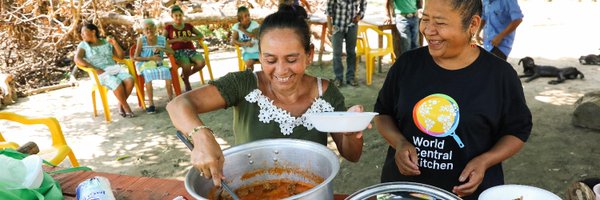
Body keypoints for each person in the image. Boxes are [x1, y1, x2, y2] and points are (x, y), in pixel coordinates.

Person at [166, 6, 365, 187]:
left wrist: (351, 134)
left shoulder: (327, 94)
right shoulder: (243, 84)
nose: (281, 70)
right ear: (260, 56)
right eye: (270, 59)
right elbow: (178, 104)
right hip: (250, 188)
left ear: (309, 55)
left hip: (310, 191)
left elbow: (352, 155)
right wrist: (201, 136)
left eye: (291, 59)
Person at [373, 0, 532, 199]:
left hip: (468, 194)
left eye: (440, 23)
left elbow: (517, 131)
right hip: (403, 191)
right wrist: (400, 143)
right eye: (425, 19)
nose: (428, 30)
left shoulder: (500, 75)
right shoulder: (406, 65)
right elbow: (383, 112)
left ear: (473, 24)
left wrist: (485, 160)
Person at [74, 23, 136, 118]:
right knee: (116, 82)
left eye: (83, 32)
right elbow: (77, 59)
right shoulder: (83, 45)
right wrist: (95, 68)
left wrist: (115, 43)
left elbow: (121, 56)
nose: (81, 35)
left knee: (129, 79)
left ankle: (120, 104)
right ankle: (126, 106)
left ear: (93, 31)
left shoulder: (106, 42)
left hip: (114, 69)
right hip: (99, 73)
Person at [132, 19, 176, 114]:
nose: (149, 30)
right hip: (144, 64)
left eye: (151, 28)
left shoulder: (161, 39)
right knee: (148, 74)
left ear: (155, 28)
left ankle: (171, 99)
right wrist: (150, 58)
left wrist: (162, 48)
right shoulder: (141, 40)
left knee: (167, 72)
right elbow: (135, 57)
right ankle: (151, 104)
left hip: (158, 63)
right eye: (146, 28)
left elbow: (172, 52)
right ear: (143, 31)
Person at [164, 5, 206, 91]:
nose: (178, 17)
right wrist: (176, 40)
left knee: (201, 63)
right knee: (186, 65)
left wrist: (189, 38)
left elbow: (200, 35)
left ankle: (185, 76)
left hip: (191, 50)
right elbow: (162, 41)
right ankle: (187, 82)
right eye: (176, 15)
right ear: (172, 16)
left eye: (180, 15)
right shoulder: (169, 28)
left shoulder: (188, 26)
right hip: (178, 52)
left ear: (182, 15)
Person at [326, 0, 367, 87]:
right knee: (337, 53)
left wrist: (360, 15)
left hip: (352, 26)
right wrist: (329, 27)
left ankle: (350, 77)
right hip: (337, 26)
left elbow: (364, 4)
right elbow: (329, 10)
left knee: (351, 53)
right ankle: (338, 78)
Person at [231, 6, 260, 71]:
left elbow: (253, 35)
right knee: (249, 62)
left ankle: (264, 79)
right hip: (247, 52)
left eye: (248, 15)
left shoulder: (255, 24)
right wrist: (245, 44)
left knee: (266, 62)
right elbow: (233, 41)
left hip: (259, 51)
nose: (248, 17)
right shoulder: (236, 27)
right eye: (245, 16)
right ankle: (249, 79)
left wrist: (242, 29)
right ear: (240, 19)